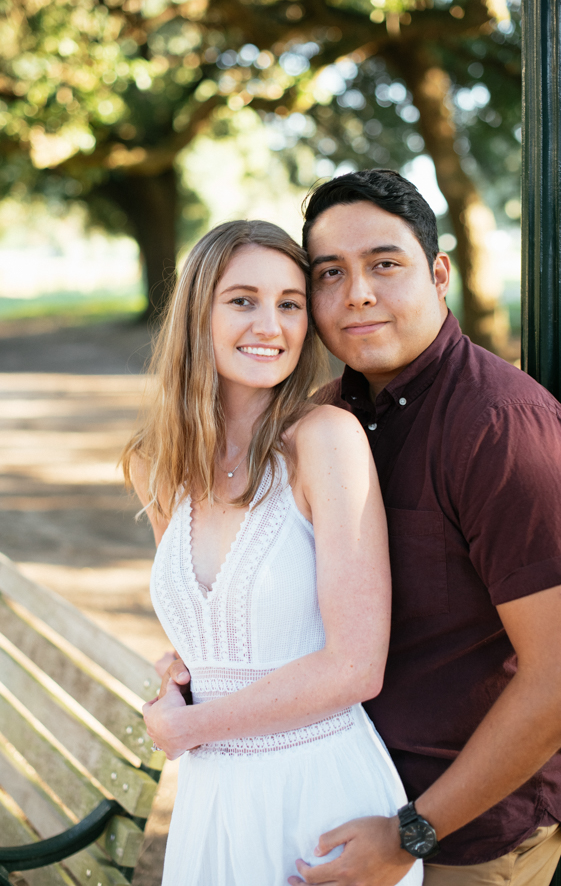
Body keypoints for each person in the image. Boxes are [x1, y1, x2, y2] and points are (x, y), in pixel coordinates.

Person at [122, 219, 422, 886]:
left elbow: (353, 667)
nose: (270, 325)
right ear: (197, 313)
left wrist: (190, 726)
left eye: (289, 304)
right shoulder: (158, 464)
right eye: (242, 300)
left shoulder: (324, 440)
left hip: (315, 795)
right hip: (212, 798)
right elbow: (209, 627)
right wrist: (176, 674)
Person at [282, 169, 561, 885]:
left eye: (384, 264)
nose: (358, 294)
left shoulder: (500, 428)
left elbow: (556, 676)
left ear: (438, 274)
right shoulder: (323, 422)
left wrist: (414, 832)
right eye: (329, 273)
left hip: (459, 841)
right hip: (333, 809)